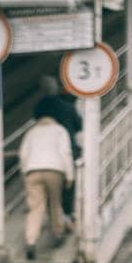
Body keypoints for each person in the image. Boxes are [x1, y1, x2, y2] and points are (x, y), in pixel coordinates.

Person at [18, 109, 75, 260]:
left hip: (33, 170)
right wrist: (70, 175)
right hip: (54, 170)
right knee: (55, 203)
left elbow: (23, 154)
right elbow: (65, 152)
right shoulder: (60, 130)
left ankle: (31, 241)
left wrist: (25, 172)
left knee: (35, 207)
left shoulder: (32, 132)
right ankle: (57, 233)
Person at [31, 74, 82, 230]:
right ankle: (68, 214)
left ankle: (54, 217)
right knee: (68, 182)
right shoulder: (67, 106)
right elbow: (79, 125)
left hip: (45, 153)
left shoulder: (39, 107)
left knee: (50, 189)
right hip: (67, 150)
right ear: (57, 88)